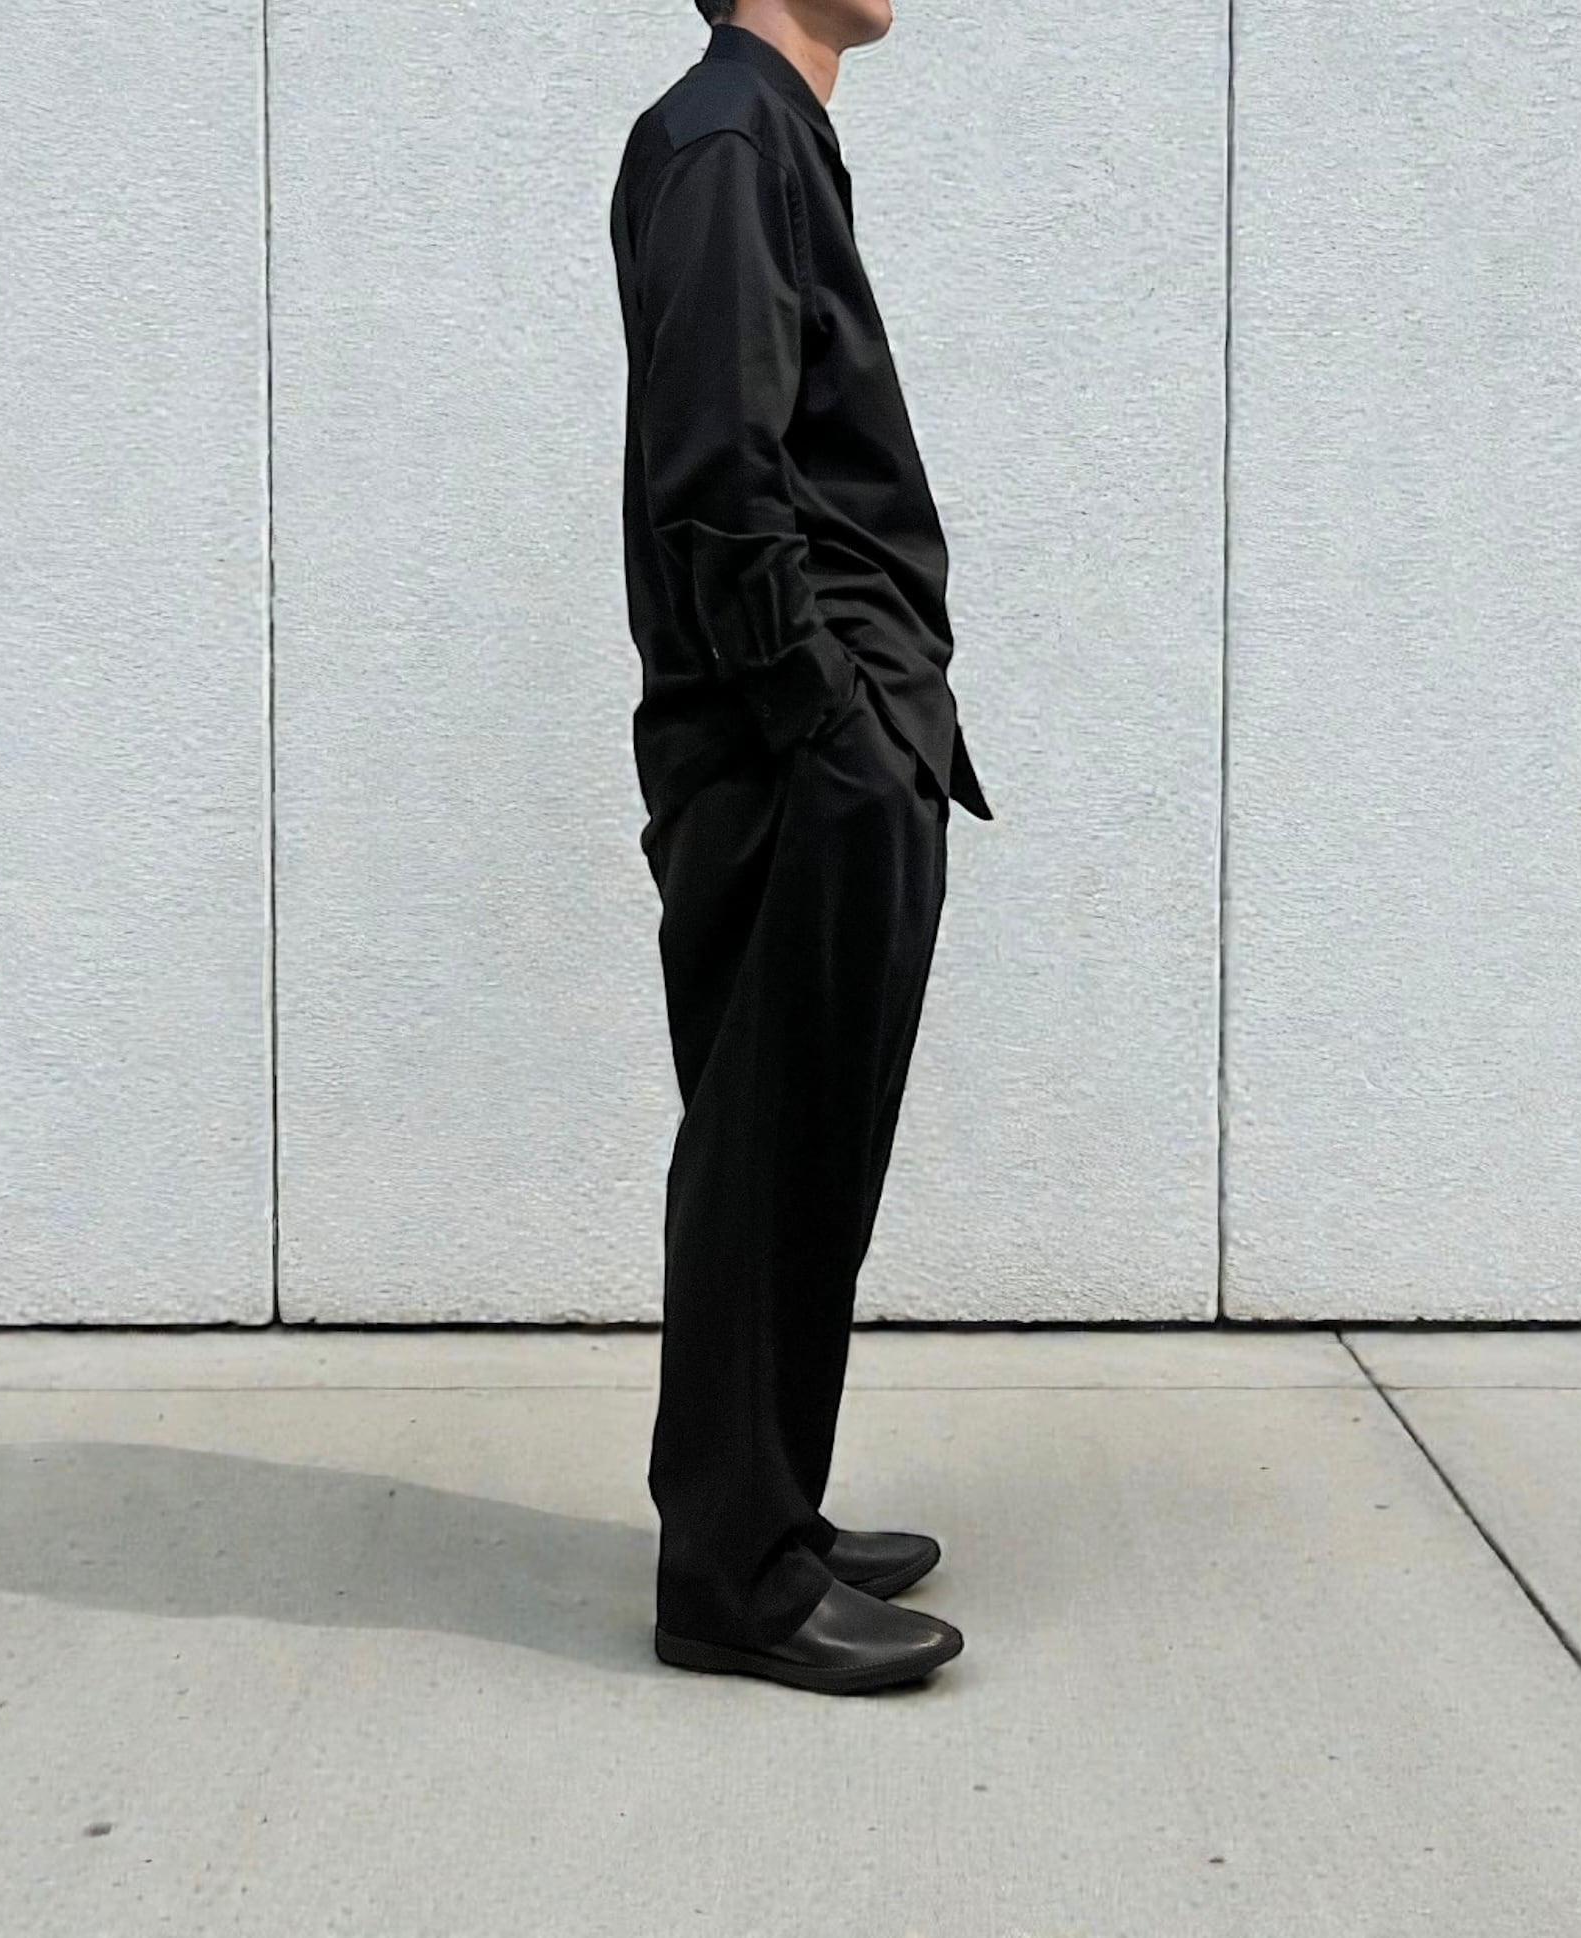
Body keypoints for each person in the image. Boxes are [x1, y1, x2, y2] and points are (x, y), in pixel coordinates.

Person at [608, 0, 993, 1696]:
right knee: (766, 1155)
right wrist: (824, 719)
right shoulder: (723, 139)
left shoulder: (767, 134)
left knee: (805, 1149)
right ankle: (732, 1578)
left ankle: (767, 1512)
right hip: (794, 751)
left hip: (826, 741)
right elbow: (716, 468)